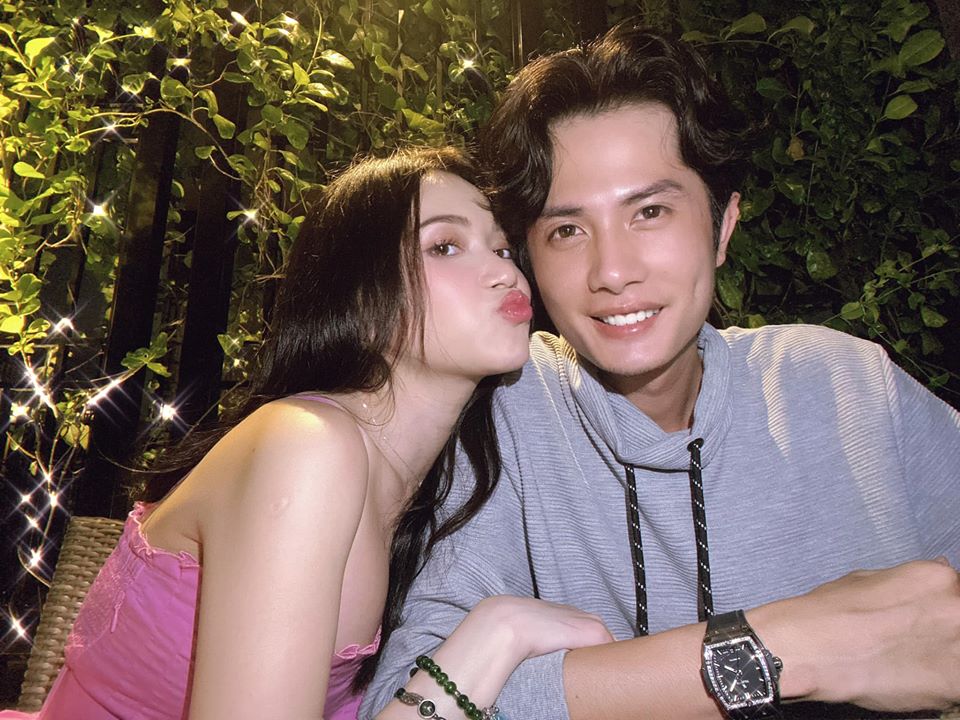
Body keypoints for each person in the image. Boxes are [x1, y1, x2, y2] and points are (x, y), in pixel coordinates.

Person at [361, 23, 960, 720]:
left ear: (722, 227)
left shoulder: (848, 385)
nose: (613, 272)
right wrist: (798, 647)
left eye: (649, 211)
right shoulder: (511, 413)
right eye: (566, 230)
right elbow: (411, 703)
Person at [0, 147, 612, 720]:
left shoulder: (431, 487)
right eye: (445, 246)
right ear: (360, 297)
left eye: (502, 248)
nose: (504, 272)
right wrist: (497, 635)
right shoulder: (306, 444)